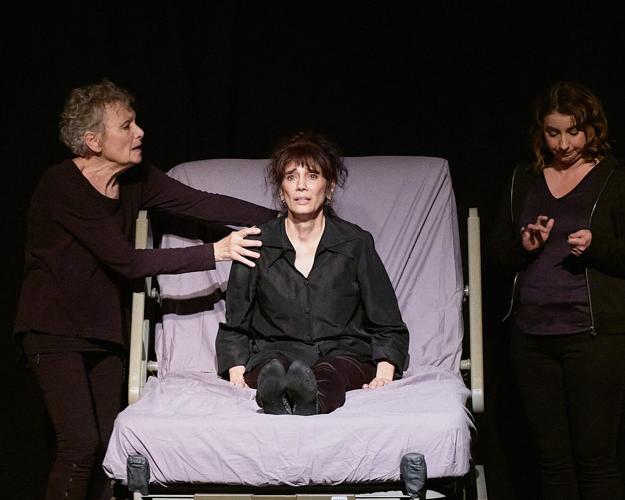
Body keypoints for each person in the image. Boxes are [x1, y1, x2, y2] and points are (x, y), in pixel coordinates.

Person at [13, 79, 276, 500]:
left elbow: (202, 203)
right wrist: (217, 251)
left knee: (109, 447)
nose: (140, 132)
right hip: (54, 329)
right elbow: (128, 261)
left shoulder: (137, 179)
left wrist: (283, 219)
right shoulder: (61, 184)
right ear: (93, 141)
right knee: (79, 445)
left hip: (104, 330)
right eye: (126, 126)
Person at [488, 81, 625, 500]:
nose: (564, 144)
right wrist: (524, 246)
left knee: (596, 460)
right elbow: (497, 254)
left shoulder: (614, 177)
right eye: (553, 133)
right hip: (531, 337)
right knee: (553, 463)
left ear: (592, 129)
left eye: (573, 132)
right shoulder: (523, 179)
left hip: (593, 337)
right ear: (541, 132)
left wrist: (598, 246)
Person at [216, 131, 409, 416]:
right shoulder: (256, 245)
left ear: (329, 187)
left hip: (343, 354)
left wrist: (384, 370)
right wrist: (236, 373)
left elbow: (387, 321)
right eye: (291, 177)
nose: (301, 186)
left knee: (329, 370)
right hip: (274, 353)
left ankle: (311, 401)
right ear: (281, 190)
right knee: (276, 369)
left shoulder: (355, 243)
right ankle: (276, 397)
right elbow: (236, 323)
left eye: (312, 176)